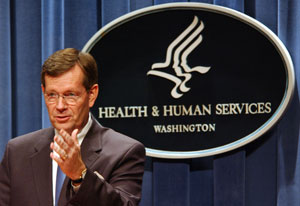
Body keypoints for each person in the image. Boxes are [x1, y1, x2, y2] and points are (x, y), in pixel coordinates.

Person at [0, 48, 145, 206]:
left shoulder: (123, 152)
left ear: (91, 95)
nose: (60, 106)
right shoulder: (17, 152)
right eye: (52, 95)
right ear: (43, 92)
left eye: (70, 95)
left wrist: (80, 175)